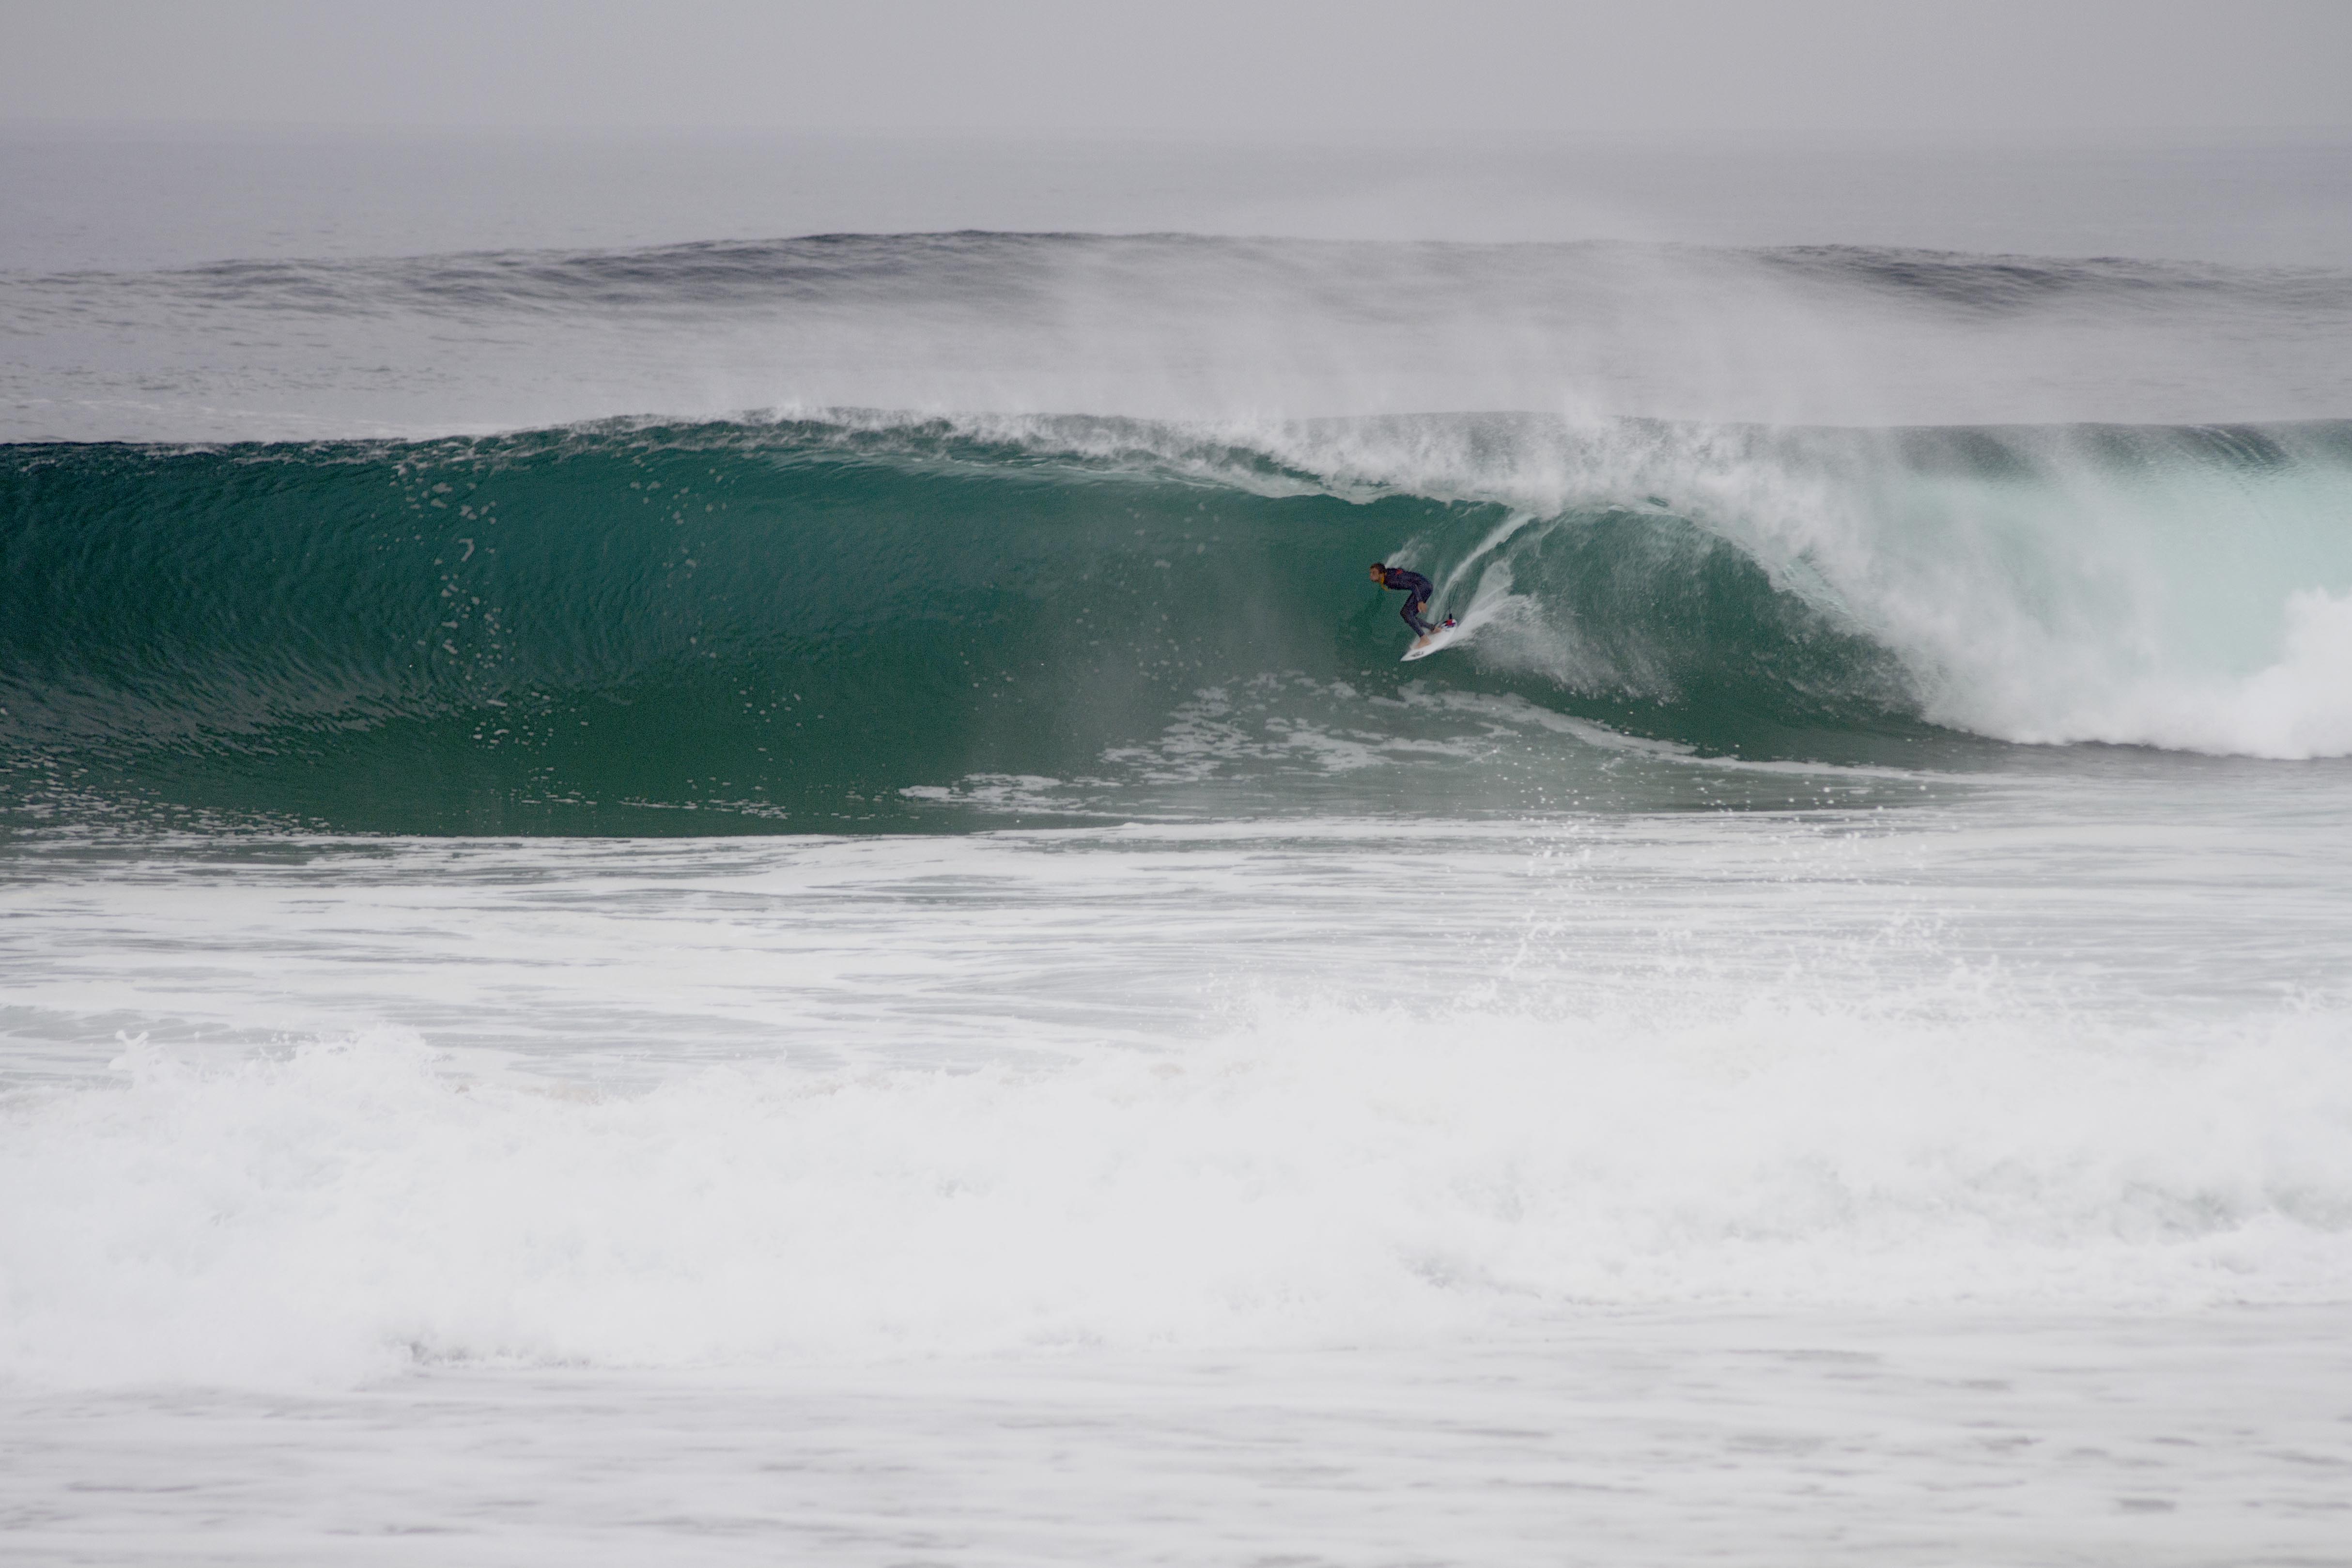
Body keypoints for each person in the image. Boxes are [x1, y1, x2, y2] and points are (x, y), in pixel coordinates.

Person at [1369, 561, 1451, 638]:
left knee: (1407, 614)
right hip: (1425, 584)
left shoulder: (1391, 581)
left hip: (1422, 587)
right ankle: (1434, 629)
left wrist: (1420, 602)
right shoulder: (1388, 572)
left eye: (1374, 573)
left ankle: (1424, 639)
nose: (1371, 575)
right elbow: (1400, 570)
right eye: (1371, 573)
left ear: (1382, 574)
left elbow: (1413, 586)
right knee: (1407, 615)